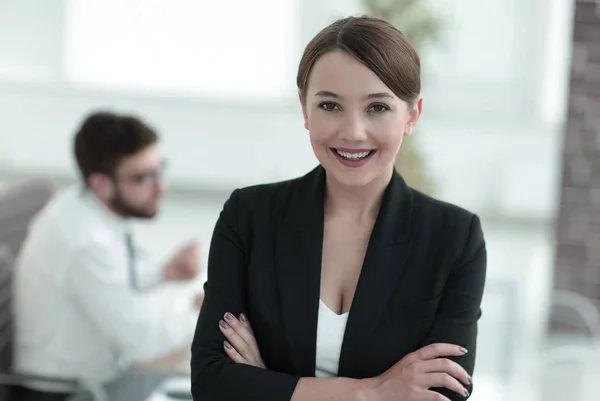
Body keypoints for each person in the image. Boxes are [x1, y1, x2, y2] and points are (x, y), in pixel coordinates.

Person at [191, 15, 486, 401]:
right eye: (330, 105)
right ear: (304, 109)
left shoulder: (453, 237)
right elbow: (213, 384)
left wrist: (268, 384)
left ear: (412, 115)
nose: (352, 132)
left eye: (377, 108)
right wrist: (372, 392)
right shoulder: (249, 217)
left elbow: (443, 394)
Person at [12, 111, 203, 401]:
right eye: (143, 178)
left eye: (159, 170)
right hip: (69, 393)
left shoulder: (83, 206)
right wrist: (203, 309)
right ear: (101, 184)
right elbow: (144, 343)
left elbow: (108, 278)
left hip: (97, 377)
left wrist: (162, 272)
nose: (161, 187)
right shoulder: (85, 242)